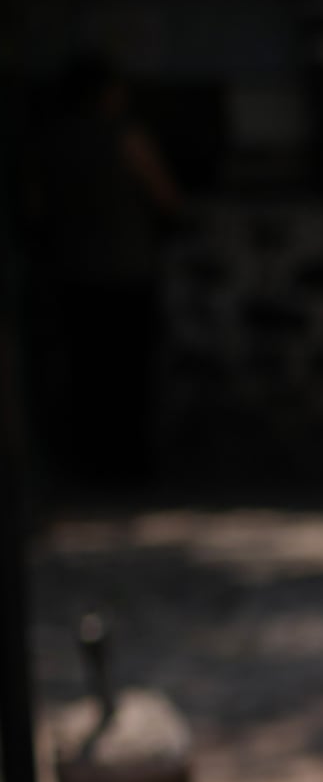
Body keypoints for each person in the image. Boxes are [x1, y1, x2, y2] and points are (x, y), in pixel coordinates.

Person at [36, 54, 185, 487]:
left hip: (71, 270)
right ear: (105, 94)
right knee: (129, 373)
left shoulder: (49, 140)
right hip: (125, 269)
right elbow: (167, 198)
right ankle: (129, 465)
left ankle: (91, 462)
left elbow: (34, 206)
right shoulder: (125, 136)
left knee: (87, 371)